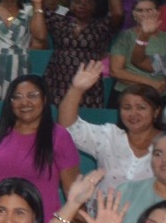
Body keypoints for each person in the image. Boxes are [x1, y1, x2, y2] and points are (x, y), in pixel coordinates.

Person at [59, 59, 164, 191]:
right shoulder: (109, 135)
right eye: (127, 107)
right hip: (101, 210)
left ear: (156, 111)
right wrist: (76, 89)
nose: (133, 113)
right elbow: (68, 127)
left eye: (141, 107)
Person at [0, 75, 80, 201]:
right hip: (0, 218)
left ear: (44, 99)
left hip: (42, 219)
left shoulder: (59, 136)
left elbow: (72, 191)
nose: (24, 102)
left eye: (32, 95)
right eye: (17, 97)